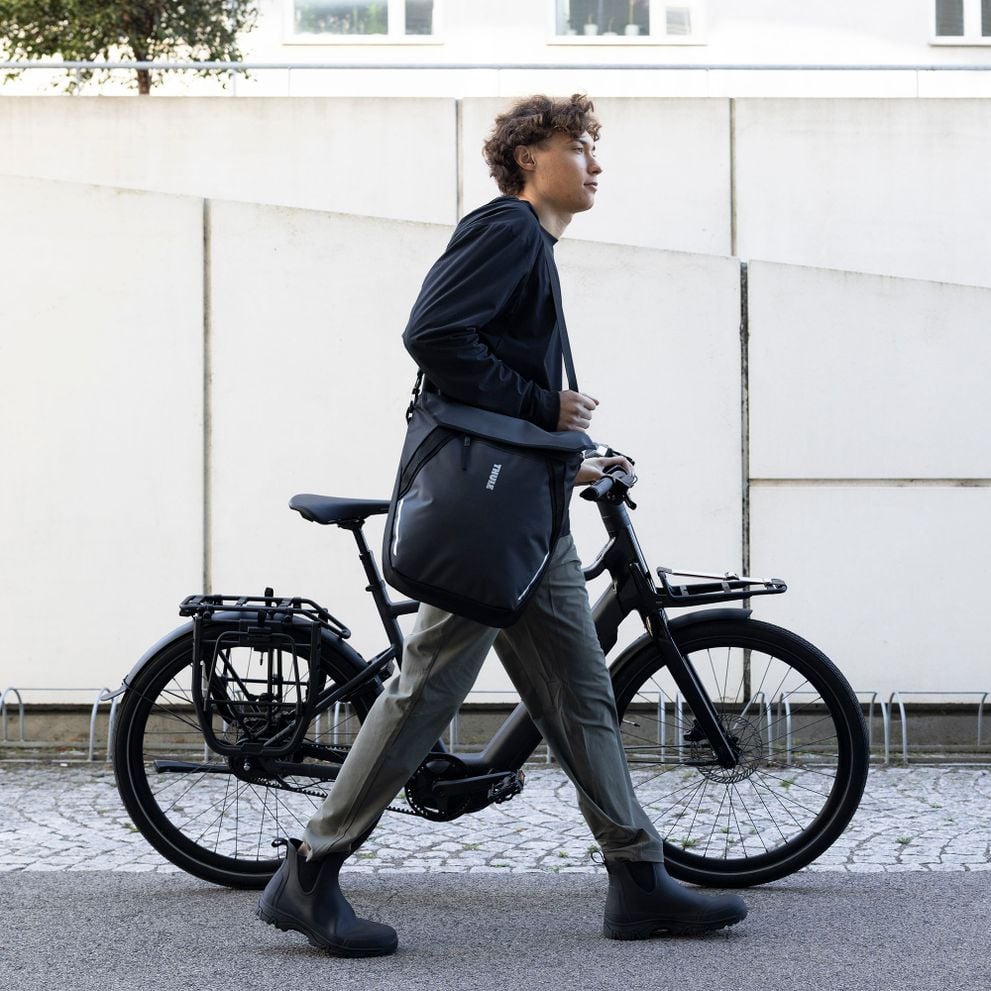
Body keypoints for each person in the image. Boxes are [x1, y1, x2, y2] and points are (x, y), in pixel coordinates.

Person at [256, 93, 748, 957]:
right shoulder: (507, 229)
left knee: (580, 693)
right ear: (529, 158)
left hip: (529, 516)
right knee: (428, 687)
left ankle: (637, 878)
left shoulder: (536, 249)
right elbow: (434, 334)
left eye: (594, 150)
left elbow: (506, 398)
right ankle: (309, 869)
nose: (595, 163)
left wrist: (567, 454)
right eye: (578, 147)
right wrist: (543, 407)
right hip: (491, 525)